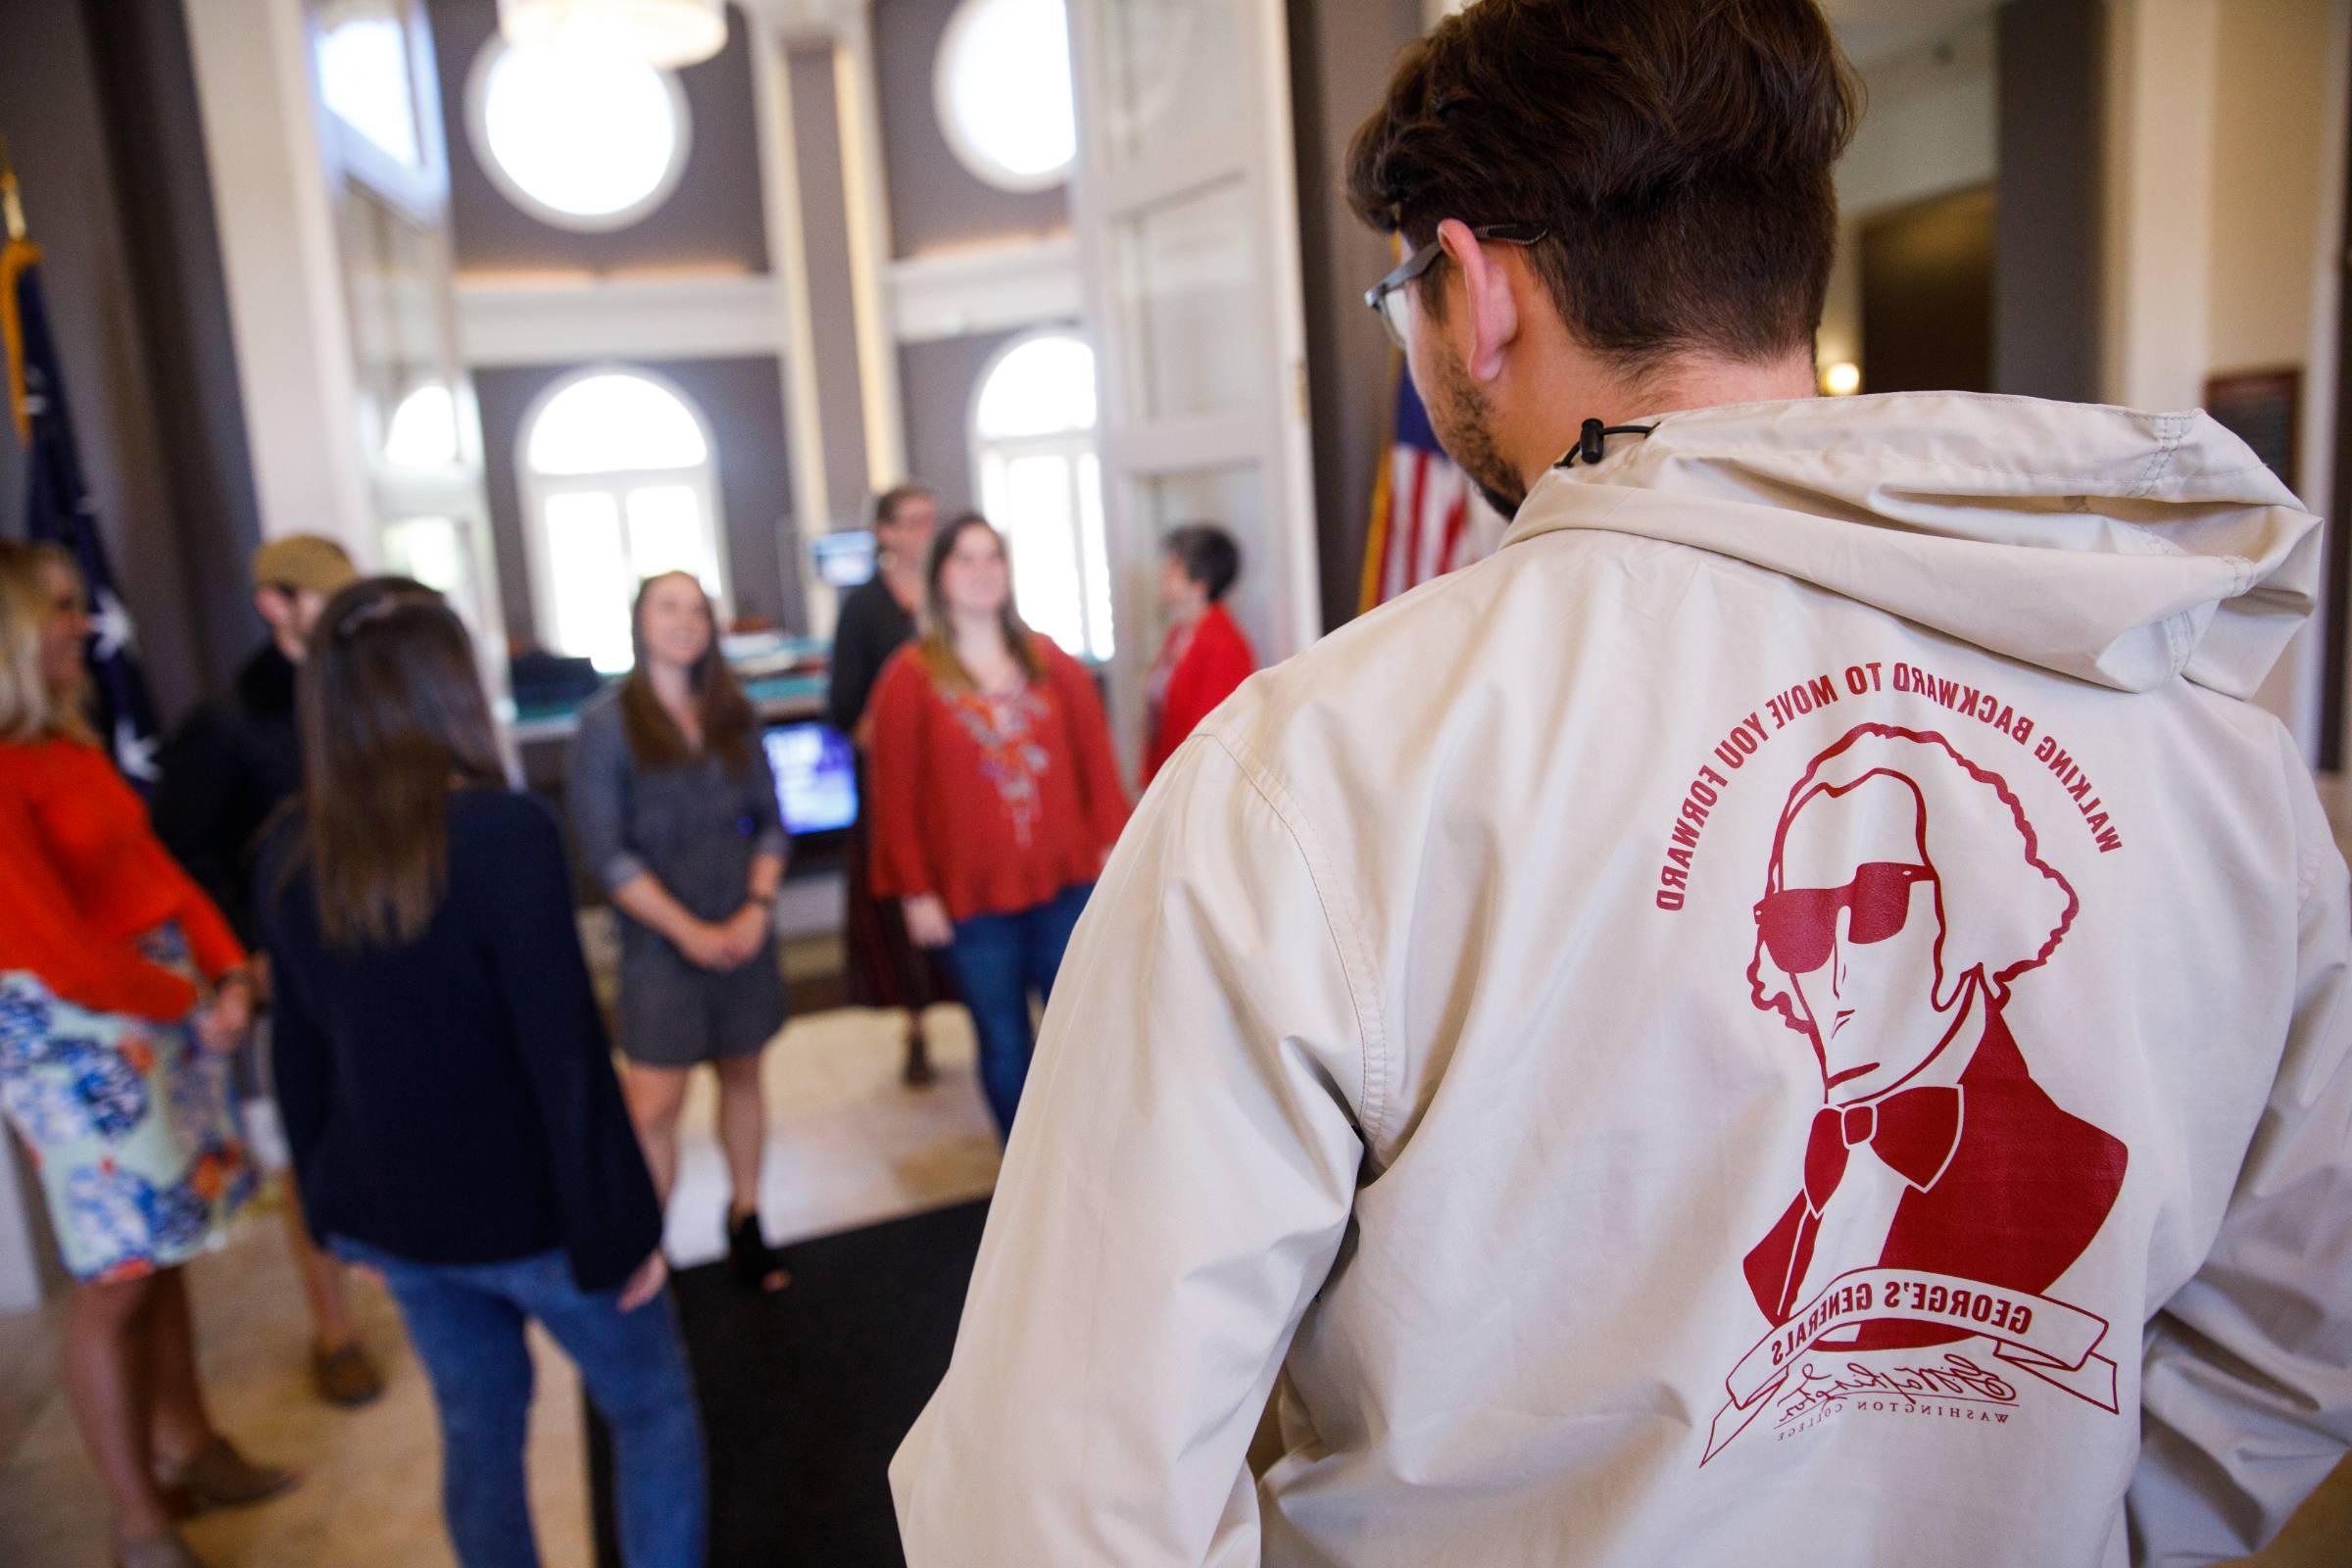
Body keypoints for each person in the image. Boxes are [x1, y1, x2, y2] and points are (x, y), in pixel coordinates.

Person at [888, 3, 2352, 1564]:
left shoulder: (1310, 781)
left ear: (1483, 287)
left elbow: (1055, 1506)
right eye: (1797, 919)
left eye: (1409, 296)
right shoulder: (2223, 762)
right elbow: (2290, 1339)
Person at [259, 578, 705, 1568]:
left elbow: (299, 1058)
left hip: (404, 1222)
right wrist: (622, 1228)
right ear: (449, 687)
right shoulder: (505, 836)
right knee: (653, 1411)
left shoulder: (291, 847)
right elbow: (568, 1059)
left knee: (478, 1434)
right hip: (539, 1219)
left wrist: (338, 1213)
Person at [0, 540, 294, 1568]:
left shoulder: (67, 745)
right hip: (79, 1043)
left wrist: (223, 967)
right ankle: (139, 1520)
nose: (84, 626)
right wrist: (186, 998)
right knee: (117, 1275)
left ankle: (193, 1444)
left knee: (165, 1250)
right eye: (61, 610)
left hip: (157, 1016)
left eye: (82, 607)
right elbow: (49, 950)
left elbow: (156, 870)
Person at [150, 533, 383, 1409]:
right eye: (320, 598)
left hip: (380, 948)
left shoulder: (365, 692)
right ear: (274, 605)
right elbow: (185, 853)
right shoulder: (228, 723)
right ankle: (336, 1332)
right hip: (290, 969)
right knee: (314, 1142)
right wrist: (242, 953)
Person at [865, 514, 1128, 1138]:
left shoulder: (1051, 663)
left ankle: (1092, 1161)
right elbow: (893, 797)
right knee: (1005, 1040)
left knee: (1083, 1035)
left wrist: (1115, 851)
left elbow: (1097, 765)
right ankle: (1026, 1180)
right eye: (965, 559)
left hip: (1067, 888)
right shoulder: (909, 678)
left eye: (993, 558)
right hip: (970, 902)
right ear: (939, 577)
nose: (982, 573)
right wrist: (915, 891)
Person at [566, 570, 793, 1294]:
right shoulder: (604, 726)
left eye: (697, 609)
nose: (685, 621)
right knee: (654, 1103)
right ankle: (647, 1244)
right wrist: (690, 931)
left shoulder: (733, 713)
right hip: (659, 947)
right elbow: (606, 854)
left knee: (743, 1073)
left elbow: (772, 822)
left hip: (744, 931)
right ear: (639, 621)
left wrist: (756, 909)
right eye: (669, 607)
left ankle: (748, 1219)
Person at [826, 483, 950, 1086]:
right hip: (894, 785)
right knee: (902, 912)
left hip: (954, 787)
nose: (926, 531)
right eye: (913, 521)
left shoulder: (953, 596)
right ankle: (916, 1026)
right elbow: (845, 710)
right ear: (885, 533)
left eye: (931, 520)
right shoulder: (864, 607)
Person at [1143, 523, 1256, 787]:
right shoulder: (1178, 634)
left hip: (1199, 782)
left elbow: (1214, 731)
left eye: (1173, 568)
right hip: (1172, 777)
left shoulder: (1224, 644)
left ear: (1200, 583)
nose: (1163, 573)